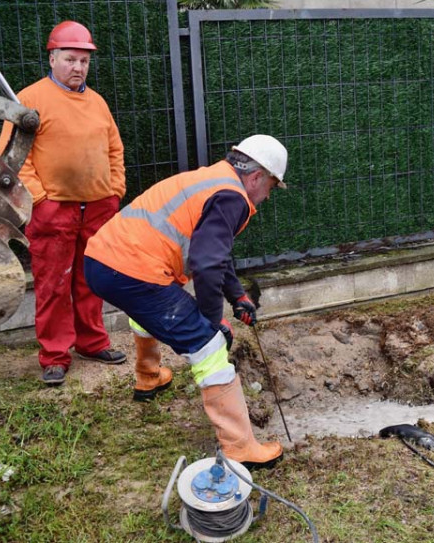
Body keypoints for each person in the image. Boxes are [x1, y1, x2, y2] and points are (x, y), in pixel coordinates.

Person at [83, 134, 287, 468]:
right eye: (271, 187)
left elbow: (212, 252)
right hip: (133, 270)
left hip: (101, 262)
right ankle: (239, 447)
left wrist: (236, 295)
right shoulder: (232, 197)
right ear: (256, 177)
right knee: (207, 346)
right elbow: (206, 264)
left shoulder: (212, 179)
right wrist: (211, 322)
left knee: (148, 310)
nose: (267, 196)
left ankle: (148, 376)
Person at [0, 21, 127, 386]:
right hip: (53, 211)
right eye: (70, 59)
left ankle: (92, 342)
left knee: (92, 280)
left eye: (84, 61)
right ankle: (54, 356)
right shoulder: (29, 100)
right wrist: (40, 200)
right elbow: (12, 158)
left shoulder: (98, 102)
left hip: (99, 208)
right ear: (52, 58)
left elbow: (114, 149)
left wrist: (114, 189)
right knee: (53, 284)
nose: (78, 67)